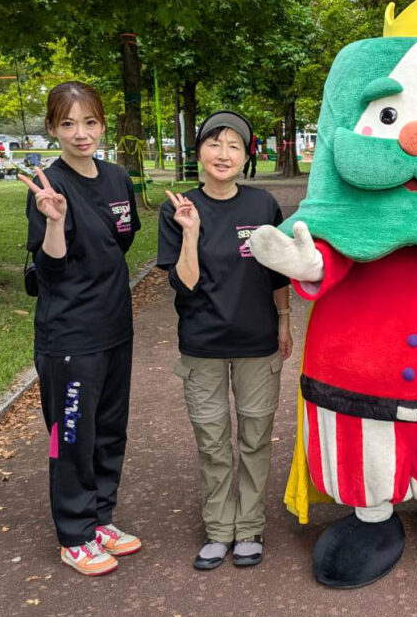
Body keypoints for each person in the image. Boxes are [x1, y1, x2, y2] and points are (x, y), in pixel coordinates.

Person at [157, 111, 293, 571]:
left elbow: (277, 272)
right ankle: (219, 529)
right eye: (214, 144)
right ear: (199, 151)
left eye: (234, 145)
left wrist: (285, 320)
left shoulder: (263, 206)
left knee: (254, 439)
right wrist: (191, 232)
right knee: (213, 442)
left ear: (246, 156)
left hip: (258, 342)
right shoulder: (179, 208)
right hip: (203, 345)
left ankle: (249, 527)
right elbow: (185, 283)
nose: (223, 154)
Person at [20, 81, 142, 576]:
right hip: (69, 338)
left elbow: (121, 243)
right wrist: (54, 222)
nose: (81, 133)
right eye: (68, 124)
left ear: (102, 124)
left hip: (115, 328)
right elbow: (50, 271)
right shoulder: (48, 186)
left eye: (89, 122)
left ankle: (100, 518)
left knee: (109, 431)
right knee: (70, 435)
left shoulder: (117, 179)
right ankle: (74, 534)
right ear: (53, 128)